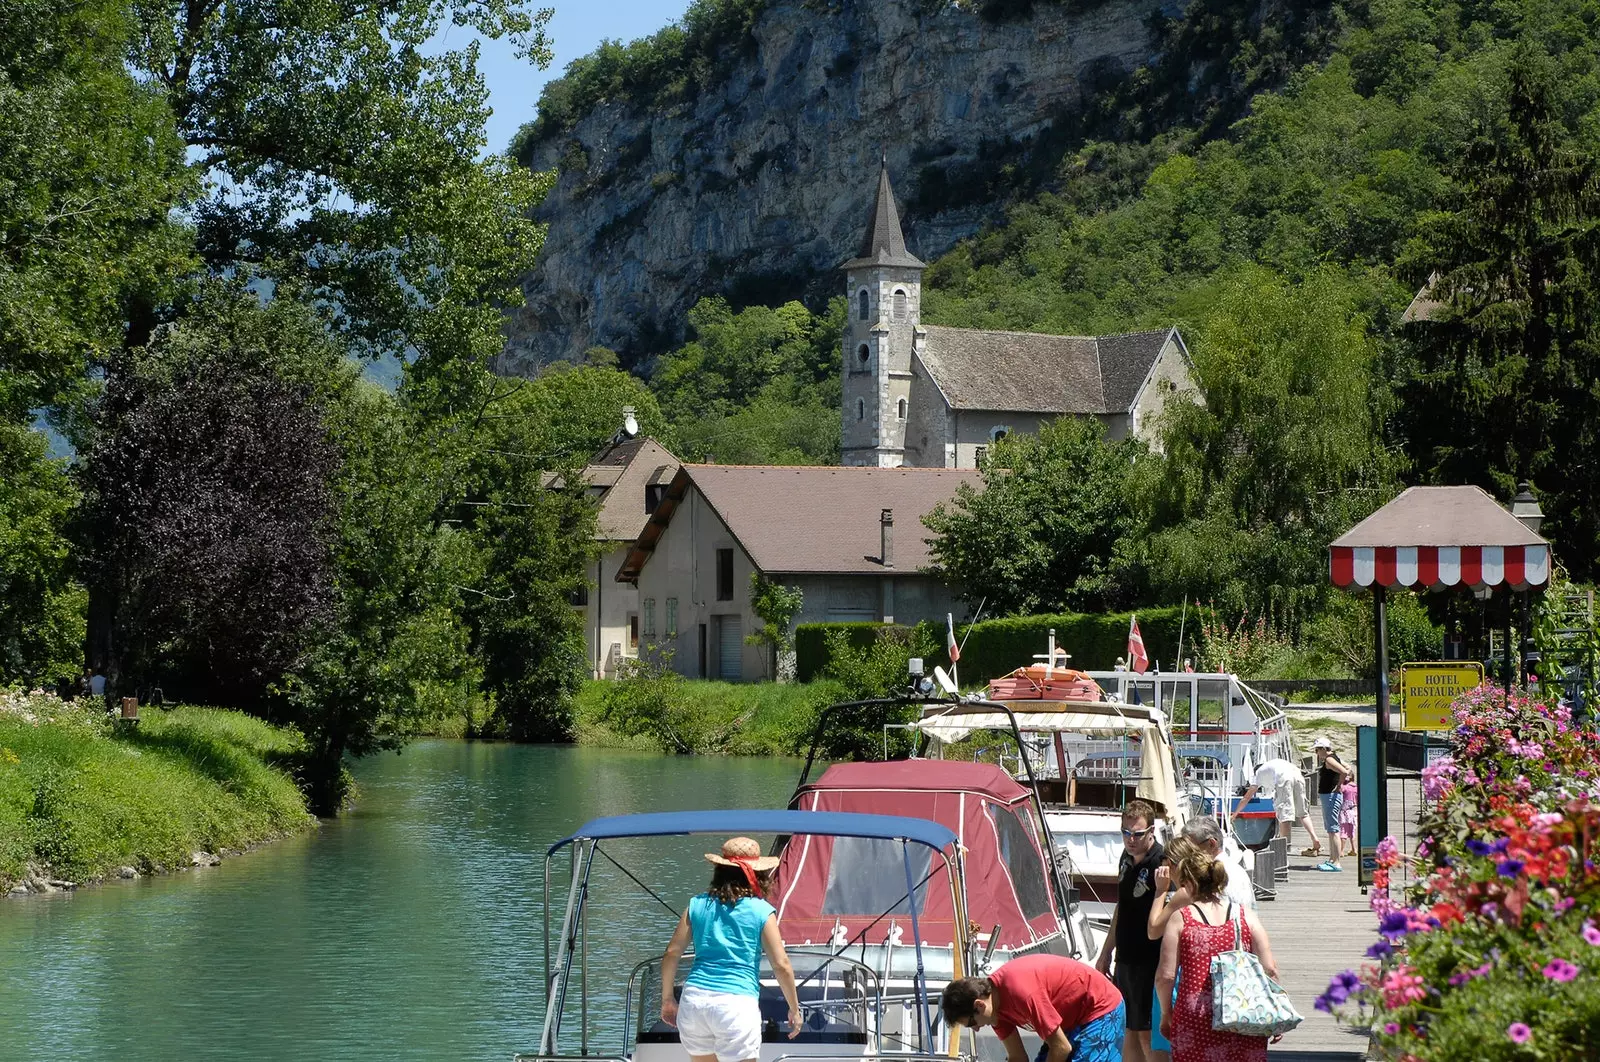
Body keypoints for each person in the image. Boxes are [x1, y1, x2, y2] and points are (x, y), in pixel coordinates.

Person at [661, 837, 801, 1062]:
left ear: (719, 871)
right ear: (758, 875)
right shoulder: (761, 911)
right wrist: (794, 1009)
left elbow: (671, 953)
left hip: (694, 1000)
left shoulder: (697, 904)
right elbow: (781, 965)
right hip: (735, 1003)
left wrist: (667, 998)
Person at [1156, 839, 1279, 1062]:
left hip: (1196, 1017)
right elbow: (1269, 968)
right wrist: (1272, 1008)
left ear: (1190, 884)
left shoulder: (1181, 919)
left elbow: (1166, 976)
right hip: (1243, 1014)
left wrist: (1166, 1013)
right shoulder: (1245, 916)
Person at [940, 953, 1125, 1062]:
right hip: (1070, 1022)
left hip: (1100, 1008)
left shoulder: (1021, 992)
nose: (977, 1028)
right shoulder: (994, 1012)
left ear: (979, 1005)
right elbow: (1018, 1058)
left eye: (971, 1023)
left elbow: (1061, 1048)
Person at [1095, 799, 1164, 1062]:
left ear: (1151, 832)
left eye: (1137, 834)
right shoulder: (1125, 858)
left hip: (1150, 961)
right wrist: (1105, 953)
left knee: (1147, 1034)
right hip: (1125, 959)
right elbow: (1121, 908)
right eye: (1126, 833)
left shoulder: (1161, 863)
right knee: (1127, 1031)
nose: (1130, 840)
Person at [1230, 757, 1321, 857]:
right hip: (1298, 775)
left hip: (1284, 778)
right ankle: (1314, 838)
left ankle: (1282, 848)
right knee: (1303, 813)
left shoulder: (1258, 774)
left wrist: (1235, 814)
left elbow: (1247, 797)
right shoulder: (1272, 764)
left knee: (1285, 815)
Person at [1312, 738, 1354, 872]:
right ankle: (1332, 859)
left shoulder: (1330, 760)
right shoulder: (1334, 757)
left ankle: (1336, 862)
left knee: (1333, 829)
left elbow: (1345, 772)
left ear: (1324, 749)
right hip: (1330, 796)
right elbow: (1347, 767)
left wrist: (1339, 785)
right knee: (1330, 829)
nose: (1316, 753)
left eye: (1317, 750)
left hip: (1331, 796)